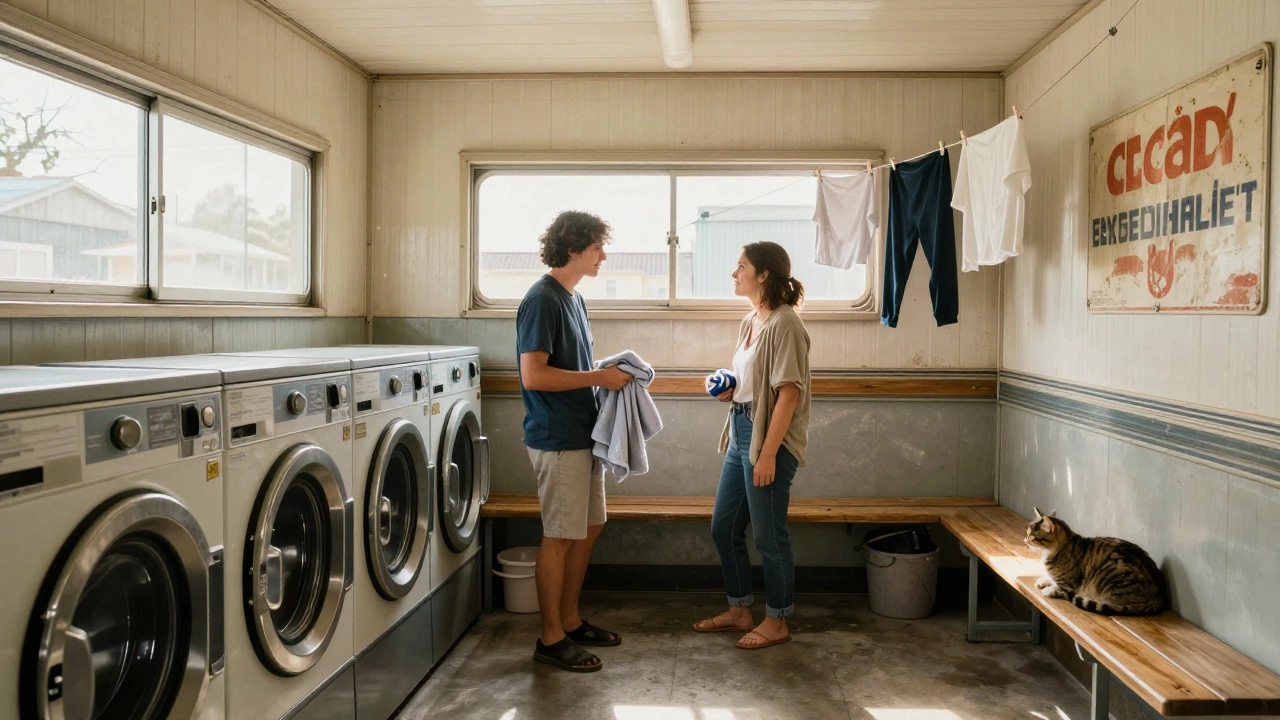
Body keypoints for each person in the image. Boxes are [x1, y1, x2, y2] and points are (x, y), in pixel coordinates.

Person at [517, 210, 632, 673]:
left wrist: (609, 372)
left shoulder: (573, 299)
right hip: (557, 437)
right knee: (560, 535)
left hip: (584, 434)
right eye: (597, 247)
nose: (604, 255)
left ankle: (569, 620)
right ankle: (550, 639)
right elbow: (534, 374)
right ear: (573, 249)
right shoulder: (542, 299)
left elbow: (571, 364)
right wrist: (598, 376)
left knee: (588, 527)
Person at [693, 241, 812, 650]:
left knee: (768, 535)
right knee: (724, 527)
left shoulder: (785, 323)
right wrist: (731, 390)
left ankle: (777, 621)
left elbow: (789, 393)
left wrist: (766, 454)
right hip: (741, 427)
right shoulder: (751, 321)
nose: (734, 272)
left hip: (769, 441)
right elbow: (756, 381)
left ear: (763, 274)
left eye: (740, 265)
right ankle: (740, 609)